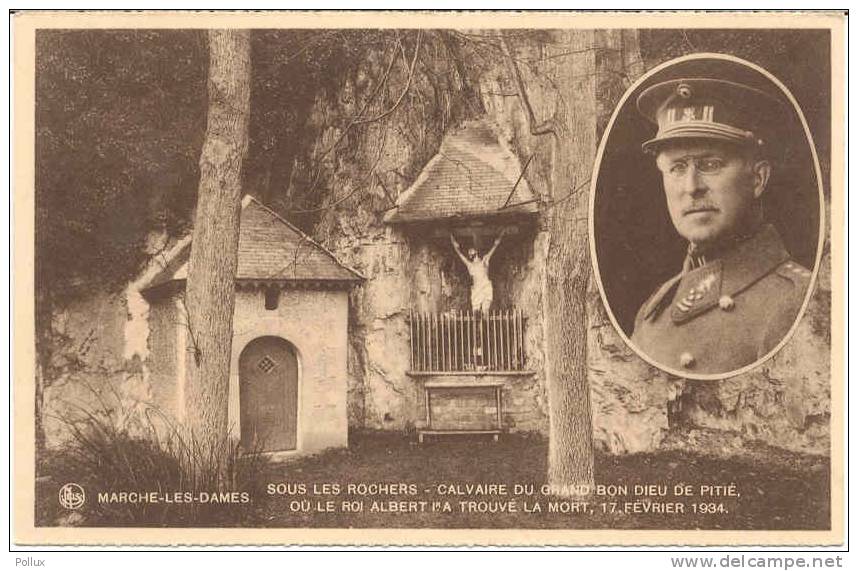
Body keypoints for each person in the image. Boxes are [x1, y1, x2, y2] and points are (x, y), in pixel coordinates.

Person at [629, 77, 812, 375]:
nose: (691, 187)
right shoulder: (654, 310)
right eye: (677, 168)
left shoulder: (798, 300)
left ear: (757, 179)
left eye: (710, 165)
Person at [450, 229, 506, 312]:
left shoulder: (484, 260)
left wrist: (501, 236)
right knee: (475, 312)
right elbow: (459, 254)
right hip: (476, 289)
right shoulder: (469, 264)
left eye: (471, 250)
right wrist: (453, 241)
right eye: (468, 252)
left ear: (476, 251)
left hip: (485, 287)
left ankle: (486, 323)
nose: (469, 253)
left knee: (485, 311)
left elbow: (494, 247)